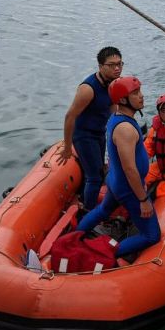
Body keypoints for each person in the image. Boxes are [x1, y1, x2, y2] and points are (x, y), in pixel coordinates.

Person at [76, 76, 161, 262]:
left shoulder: (117, 116)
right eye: (135, 93)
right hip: (127, 187)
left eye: (140, 91)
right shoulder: (125, 129)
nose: (141, 96)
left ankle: (75, 235)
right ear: (122, 100)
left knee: (104, 210)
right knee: (151, 236)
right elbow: (130, 169)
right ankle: (99, 255)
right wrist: (143, 199)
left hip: (115, 180)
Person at [59, 47, 123, 209]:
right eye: (112, 65)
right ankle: (89, 211)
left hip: (100, 133)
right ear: (101, 66)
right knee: (95, 177)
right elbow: (70, 117)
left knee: (98, 172)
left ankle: (82, 197)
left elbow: (113, 108)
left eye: (120, 64)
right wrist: (67, 147)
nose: (117, 68)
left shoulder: (114, 84)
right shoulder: (88, 89)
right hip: (84, 136)